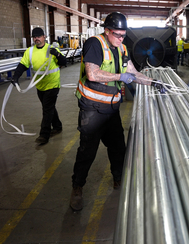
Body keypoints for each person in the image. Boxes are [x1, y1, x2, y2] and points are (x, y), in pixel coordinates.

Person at [70, 11, 166, 211]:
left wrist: (153, 82)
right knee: (88, 150)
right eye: (117, 34)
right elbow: (92, 74)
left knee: (118, 148)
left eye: (124, 35)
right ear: (107, 31)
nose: (121, 39)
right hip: (93, 110)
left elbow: (133, 73)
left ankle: (119, 180)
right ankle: (77, 187)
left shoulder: (122, 48)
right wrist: (119, 77)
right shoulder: (95, 44)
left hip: (111, 109)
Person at [11, 27, 66, 145]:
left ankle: (44, 135)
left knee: (47, 109)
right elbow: (23, 65)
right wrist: (15, 77)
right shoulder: (30, 51)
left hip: (52, 84)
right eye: (34, 37)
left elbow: (64, 62)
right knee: (49, 107)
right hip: (40, 85)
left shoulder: (51, 49)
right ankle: (57, 126)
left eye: (39, 36)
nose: (36, 39)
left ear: (44, 37)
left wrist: (57, 54)